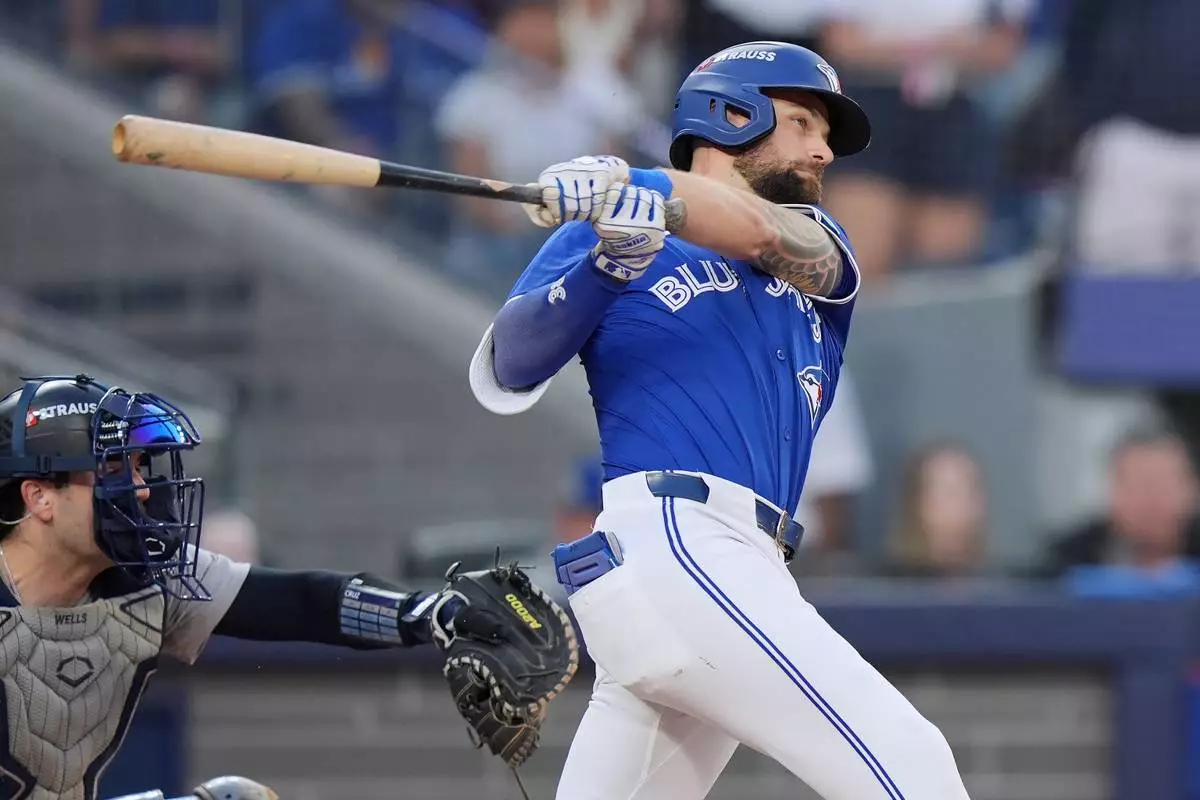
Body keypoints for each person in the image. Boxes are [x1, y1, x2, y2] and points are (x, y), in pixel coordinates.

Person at [469, 40, 970, 800]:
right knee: (908, 759)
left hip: (744, 563)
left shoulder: (815, 244)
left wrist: (638, 184)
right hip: (678, 541)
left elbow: (759, 232)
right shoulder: (604, 232)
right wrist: (609, 263)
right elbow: (510, 367)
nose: (823, 150)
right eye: (802, 123)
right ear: (731, 115)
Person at [0, 373, 562, 800]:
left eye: (139, 467)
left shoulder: (146, 582)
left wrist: (429, 613)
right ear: (39, 497)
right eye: (113, 471)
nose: (141, 489)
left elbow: (302, 602)